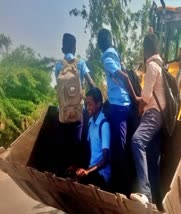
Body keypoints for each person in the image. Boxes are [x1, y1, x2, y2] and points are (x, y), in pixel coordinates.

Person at [97, 28, 140, 195]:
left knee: (119, 149)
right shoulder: (114, 54)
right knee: (124, 146)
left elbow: (125, 77)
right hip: (124, 104)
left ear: (100, 43)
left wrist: (135, 97)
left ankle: (124, 189)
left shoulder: (107, 58)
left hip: (119, 107)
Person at [130, 33, 166, 207]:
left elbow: (146, 98)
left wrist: (139, 109)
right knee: (153, 157)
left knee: (137, 141)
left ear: (146, 50)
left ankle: (146, 194)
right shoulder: (161, 64)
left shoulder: (151, 65)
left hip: (152, 114)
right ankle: (158, 201)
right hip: (161, 115)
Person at [55, 33, 95, 174]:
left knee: (65, 140)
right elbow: (91, 83)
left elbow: (60, 89)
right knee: (81, 139)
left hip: (64, 111)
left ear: (62, 48)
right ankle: (79, 167)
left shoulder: (58, 65)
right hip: (78, 110)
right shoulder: (80, 63)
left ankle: (66, 168)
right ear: (75, 47)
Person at [75, 87, 111, 189]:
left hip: (101, 175)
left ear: (98, 104)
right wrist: (78, 167)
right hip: (91, 171)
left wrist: (87, 171)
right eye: (86, 104)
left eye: (90, 104)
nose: (87, 108)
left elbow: (105, 160)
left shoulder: (104, 125)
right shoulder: (90, 122)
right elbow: (88, 150)